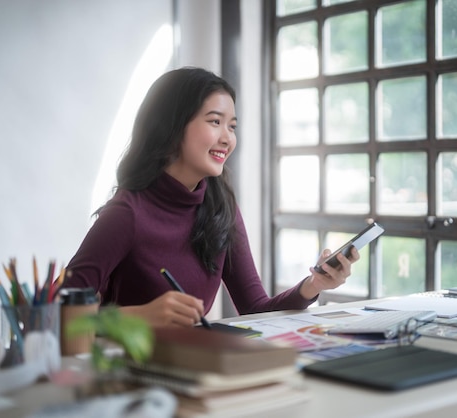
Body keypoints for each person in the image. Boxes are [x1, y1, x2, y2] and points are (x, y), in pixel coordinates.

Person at [63, 67, 360, 328]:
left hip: (190, 367)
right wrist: (141, 316)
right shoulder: (127, 213)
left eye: (232, 126)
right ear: (172, 127)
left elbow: (254, 308)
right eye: (215, 121)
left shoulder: (220, 207)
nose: (227, 138)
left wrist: (313, 285)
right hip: (124, 371)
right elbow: (57, 310)